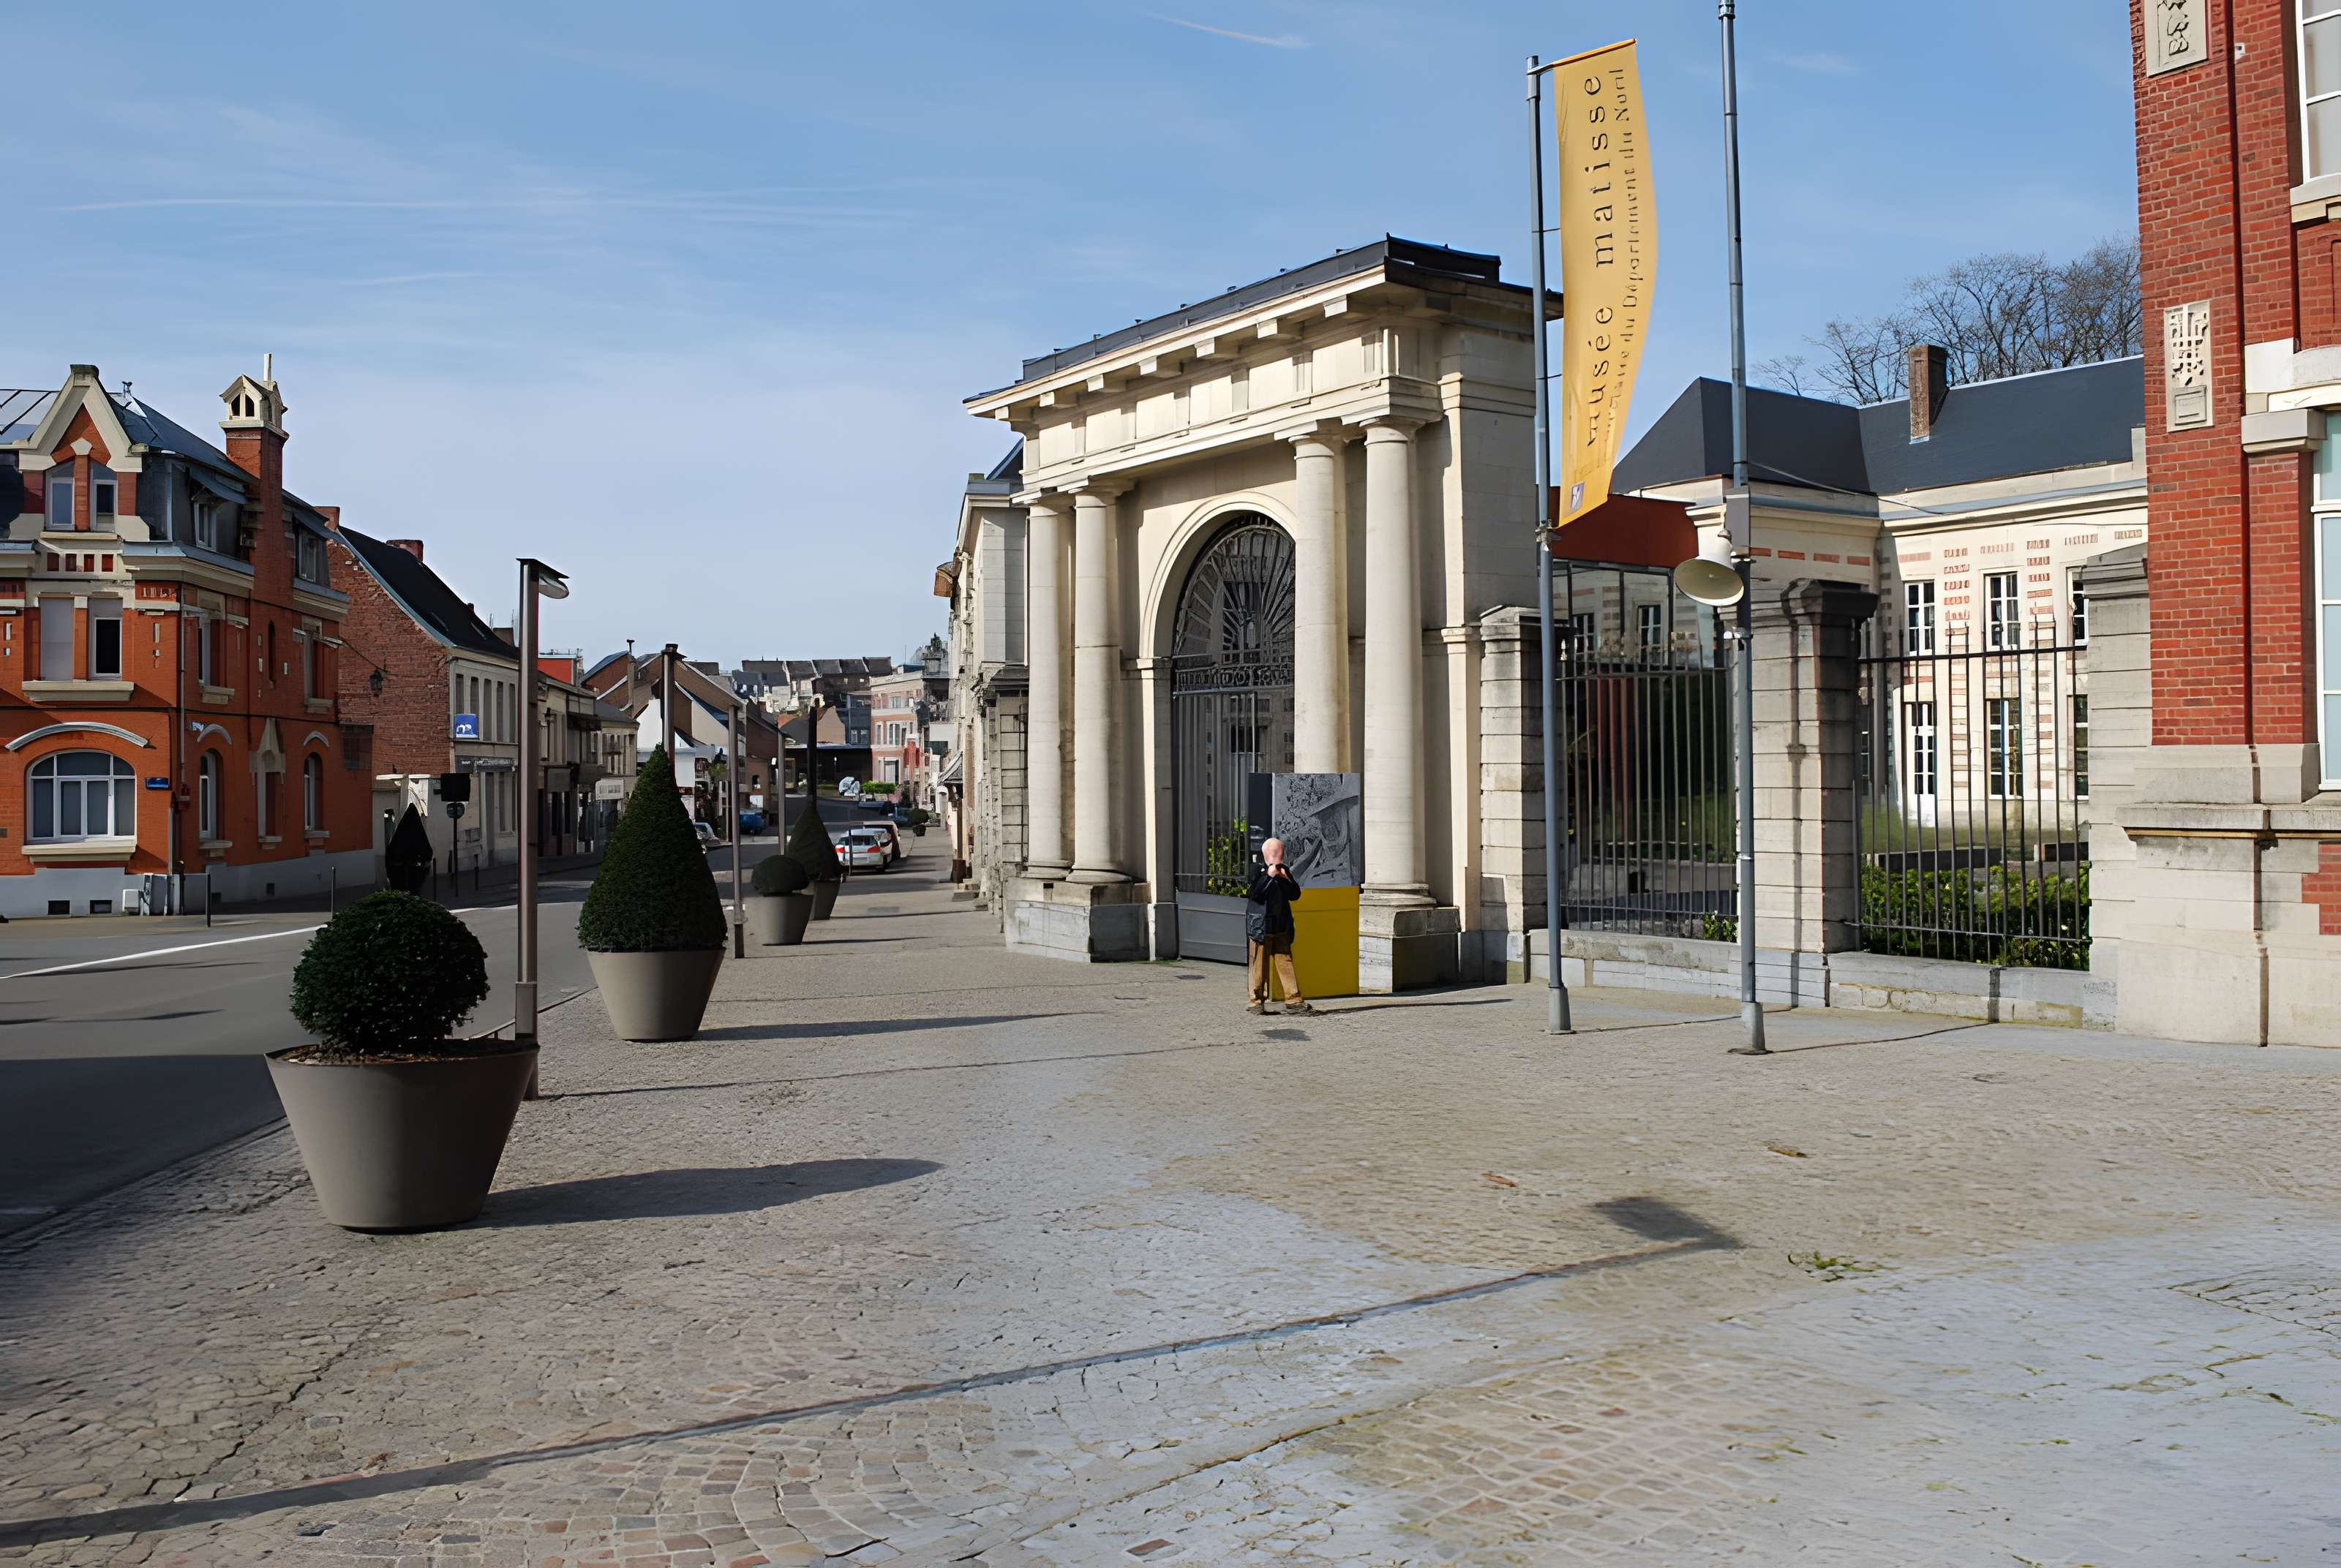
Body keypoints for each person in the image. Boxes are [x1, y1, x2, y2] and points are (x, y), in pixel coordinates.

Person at [1244, 837, 1310, 1016]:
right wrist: (1269, 876)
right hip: (1260, 926)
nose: (1278, 856)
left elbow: (1295, 895)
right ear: (1266, 854)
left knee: (1285, 962)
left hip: (1280, 925)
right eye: (1274, 853)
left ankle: (1293, 1000)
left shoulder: (1284, 871)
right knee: (1258, 965)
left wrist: (1285, 879)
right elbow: (1255, 894)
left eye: (1280, 852)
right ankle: (1256, 1001)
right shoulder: (1256, 870)